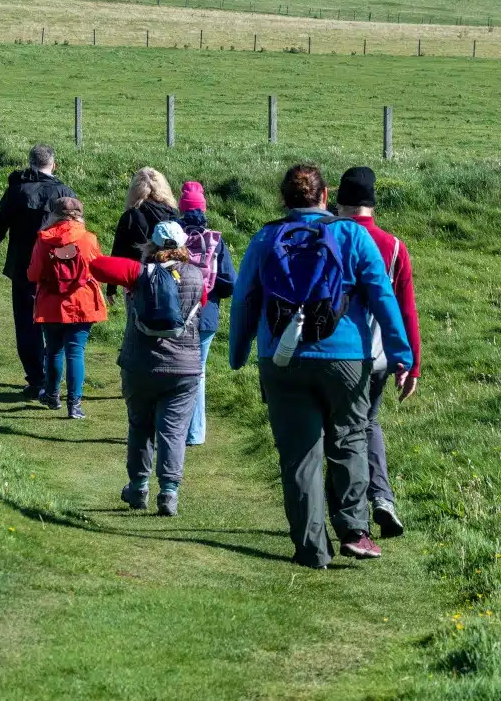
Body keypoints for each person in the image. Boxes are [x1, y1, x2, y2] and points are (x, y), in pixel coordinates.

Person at [229, 164, 412, 568]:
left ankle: (312, 548)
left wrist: (238, 352)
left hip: (281, 358)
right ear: (325, 195)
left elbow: (244, 300)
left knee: (299, 455)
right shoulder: (351, 235)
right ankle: (354, 529)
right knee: (349, 440)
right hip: (346, 358)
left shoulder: (266, 237)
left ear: (284, 198)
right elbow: (383, 296)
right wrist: (401, 354)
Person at [91, 221, 207, 516]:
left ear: (152, 244)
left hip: (140, 364)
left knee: (140, 426)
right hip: (184, 368)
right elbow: (203, 303)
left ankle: (138, 487)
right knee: (173, 431)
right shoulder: (197, 276)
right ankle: (169, 493)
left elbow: (98, 266)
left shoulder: (138, 274)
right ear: (183, 245)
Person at [336, 166, 422, 539]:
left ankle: (348, 511)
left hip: (336, 352)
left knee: (338, 432)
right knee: (367, 424)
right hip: (379, 355)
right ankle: (382, 499)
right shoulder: (394, 246)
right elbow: (406, 309)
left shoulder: (333, 237)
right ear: (372, 204)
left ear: (338, 201)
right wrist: (411, 364)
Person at [0, 145, 77, 399]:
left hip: (23, 267)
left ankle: (37, 379)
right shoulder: (64, 192)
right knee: (54, 324)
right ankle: (54, 381)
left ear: (30, 163)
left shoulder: (17, 191)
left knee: (26, 323)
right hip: (56, 267)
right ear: (54, 165)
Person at [26, 196, 107, 419]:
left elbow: (32, 274)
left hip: (52, 303)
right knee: (75, 352)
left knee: (53, 349)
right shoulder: (89, 239)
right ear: (79, 215)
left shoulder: (43, 239)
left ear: (53, 214)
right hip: (82, 303)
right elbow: (99, 269)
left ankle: (52, 396)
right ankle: (75, 404)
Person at [175, 181, 237, 447]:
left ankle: (173, 428)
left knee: (176, 371)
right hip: (206, 316)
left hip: (176, 314)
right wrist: (210, 290)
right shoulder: (215, 241)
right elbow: (230, 282)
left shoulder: (171, 235)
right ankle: (195, 432)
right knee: (198, 373)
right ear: (204, 208)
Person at [107, 167, 178, 304]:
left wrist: (112, 285)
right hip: (171, 276)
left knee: (136, 321)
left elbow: (118, 251)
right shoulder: (172, 214)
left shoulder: (131, 216)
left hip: (137, 280)